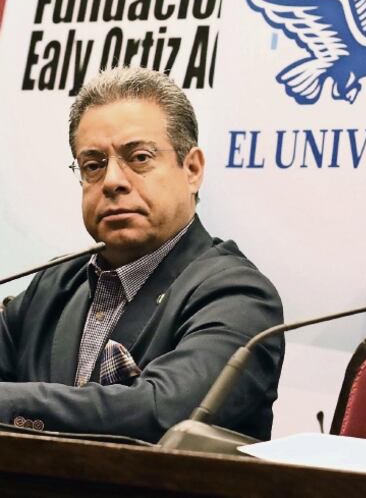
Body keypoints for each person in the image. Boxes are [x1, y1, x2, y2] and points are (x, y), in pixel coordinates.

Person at [0, 67, 284, 443]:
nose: (113, 181)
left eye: (139, 158)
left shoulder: (238, 296)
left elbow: (164, 413)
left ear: (192, 169)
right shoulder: (53, 285)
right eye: (93, 165)